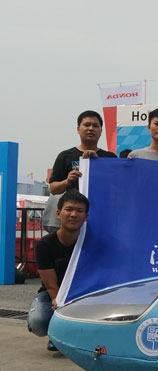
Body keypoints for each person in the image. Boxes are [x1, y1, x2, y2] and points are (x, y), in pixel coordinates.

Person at [27, 190, 90, 351]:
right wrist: (60, 303)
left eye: (79, 211)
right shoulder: (44, 245)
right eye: (69, 209)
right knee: (38, 322)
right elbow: (51, 285)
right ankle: (56, 335)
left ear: (86, 217)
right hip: (53, 295)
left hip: (83, 295)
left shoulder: (91, 243)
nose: (73, 214)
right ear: (58, 213)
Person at [48, 110, 117, 195]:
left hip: (102, 203)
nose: (91, 128)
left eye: (95, 126)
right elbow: (53, 189)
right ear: (78, 129)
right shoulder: (65, 156)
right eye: (87, 125)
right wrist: (67, 181)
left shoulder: (110, 158)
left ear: (101, 131)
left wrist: (98, 163)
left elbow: (119, 186)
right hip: (75, 203)